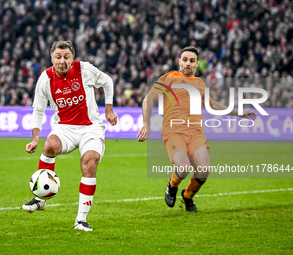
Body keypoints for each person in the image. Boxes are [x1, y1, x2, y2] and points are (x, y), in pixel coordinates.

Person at [137, 46, 256, 212]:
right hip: (174, 131)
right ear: (179, 61)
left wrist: (239, 113)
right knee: (183, 168)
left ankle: (188, 196)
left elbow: (213, 104)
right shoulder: (169, 77)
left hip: (195, 132)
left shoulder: (200, 83)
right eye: (185, 60)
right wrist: (146, 124)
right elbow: (149, 99)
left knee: (204, 171)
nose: (188, 63)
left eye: (192, 61)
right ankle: (172, 185)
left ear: (197, 64)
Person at [21, 40, 117, 231]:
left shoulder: (84, 69)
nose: (62, 61)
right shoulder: (46, 78)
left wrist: (109, 108)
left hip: (90, 127)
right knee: (49, 146)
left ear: (72, 58)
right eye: (58, 57)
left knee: (90, 163)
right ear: (52, 58)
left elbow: (107, 81)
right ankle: (40, 199)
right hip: (64, 127)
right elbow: (38, 110)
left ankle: (81, 220)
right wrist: (35, 139)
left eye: (66, 57)